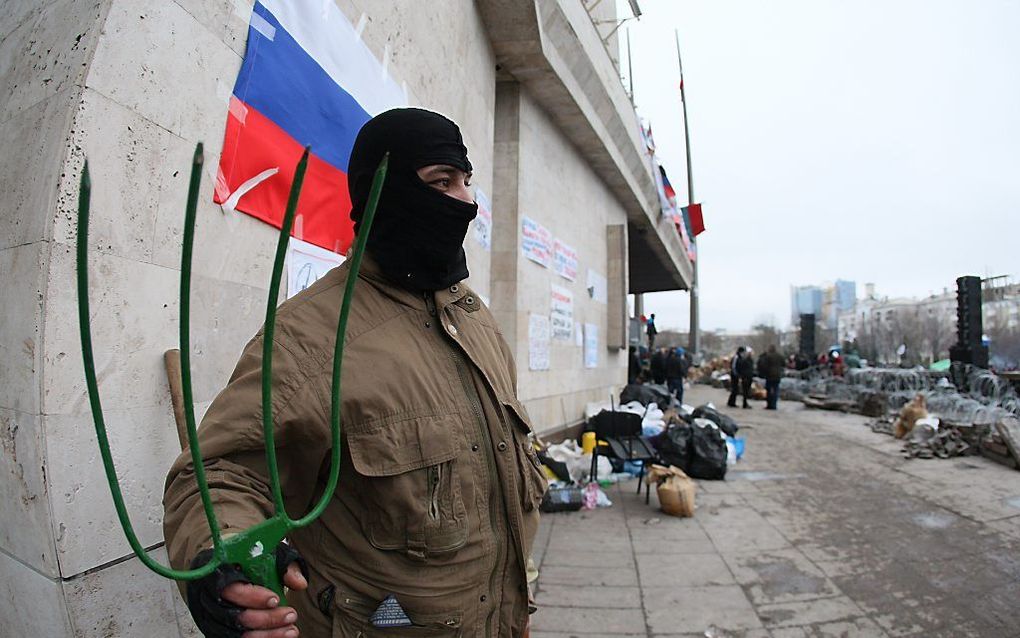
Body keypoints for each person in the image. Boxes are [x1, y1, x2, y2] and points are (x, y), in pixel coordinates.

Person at [163, 109, 545, 638]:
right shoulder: (310, 339)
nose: (466, 201)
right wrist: (223, 555)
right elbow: (218, 473)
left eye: (466, 180)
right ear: (383, 195)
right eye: (442, 181)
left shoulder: (473, 316)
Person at [758, 345, 785, 410]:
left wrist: (764, 373)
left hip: (769, 376)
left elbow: (764, 365)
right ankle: (774, 405)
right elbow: (784, 364)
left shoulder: (768, 356)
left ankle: (769, 405)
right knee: (776, 390)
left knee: (769, 390)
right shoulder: (780, 356)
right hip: (777, 376)